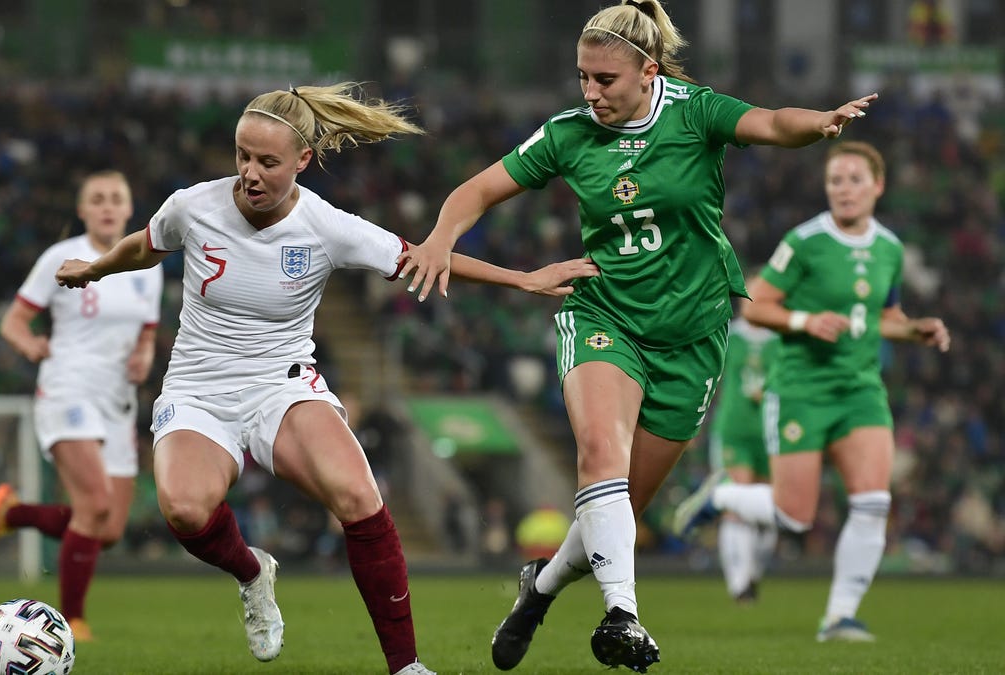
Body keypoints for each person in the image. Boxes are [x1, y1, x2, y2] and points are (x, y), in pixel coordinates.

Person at [395, 1, 879, 670]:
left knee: (613, 512)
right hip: (605, 316)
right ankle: (623, 614)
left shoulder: (694, 110)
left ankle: (540, 586)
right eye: (582, 78)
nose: (591, 93)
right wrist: (442, 235)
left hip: (693, 335)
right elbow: (476, 191)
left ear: (648, 72)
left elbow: (770, 123)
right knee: (600, 452)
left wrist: (820, 123)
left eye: (605, 80)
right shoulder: (566, 133)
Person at [54, 82, 599, 675]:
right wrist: (95, 269)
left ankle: (406, 667)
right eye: (242, 156)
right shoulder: (194, 206)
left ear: (303, 161)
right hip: (197, 388)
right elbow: (145, 245)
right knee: (184, 511)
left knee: (360, 499)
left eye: (267, 162)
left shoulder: (327, 226)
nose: (250, 174)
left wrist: (523, 280)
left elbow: (424, 259)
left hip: (281, 384)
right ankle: (251, 572)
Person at [673, 141, 950, 641]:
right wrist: (803, 319)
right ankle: (723, 496)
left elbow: (884, 319)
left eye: (854, 180)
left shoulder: (889, 247)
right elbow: (757, 308)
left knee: (872, 503)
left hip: (861, 390)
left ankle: (839, 616)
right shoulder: (804, 241)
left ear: (878, 186)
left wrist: (916, 330)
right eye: (835, 181)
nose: (843, 190)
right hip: (801, 388)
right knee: (794, 517)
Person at [0, 170, 164, 642]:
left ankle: (11, 515)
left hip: (116, 400)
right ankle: (71, 622)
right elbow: (13, 321)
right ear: (82, 210)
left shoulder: (147, 264)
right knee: (94, 505)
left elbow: (147, 329)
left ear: (127, 208)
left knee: (110, 528)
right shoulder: (60, 257)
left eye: (115, 198)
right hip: (68, 388)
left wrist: (144, 354)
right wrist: (30, 346)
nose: (106, 206)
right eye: (96, 199)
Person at [703, 291, 780, 604]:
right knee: (739, 505)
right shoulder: (729, 334)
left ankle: (752, 574)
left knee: (770, 512)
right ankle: (739, 584)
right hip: (735, 430)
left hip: (773, 434)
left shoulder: (783, 340)